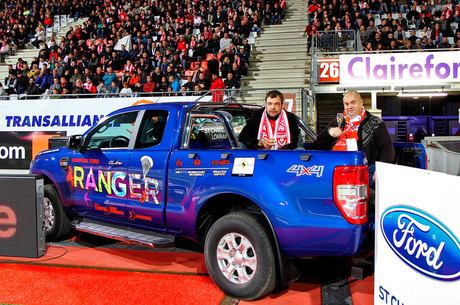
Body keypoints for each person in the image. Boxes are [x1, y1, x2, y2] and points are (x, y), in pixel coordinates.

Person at [315, 90, 395, 188]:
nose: (350, 107)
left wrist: (381, 171)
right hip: (337, 170)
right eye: (346, 104)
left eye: (353, 102)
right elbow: (317, 144)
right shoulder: (338, 122)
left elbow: (386, 148)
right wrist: (329, 131)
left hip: (365, 171)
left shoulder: (375, 123)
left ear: (361, 102)